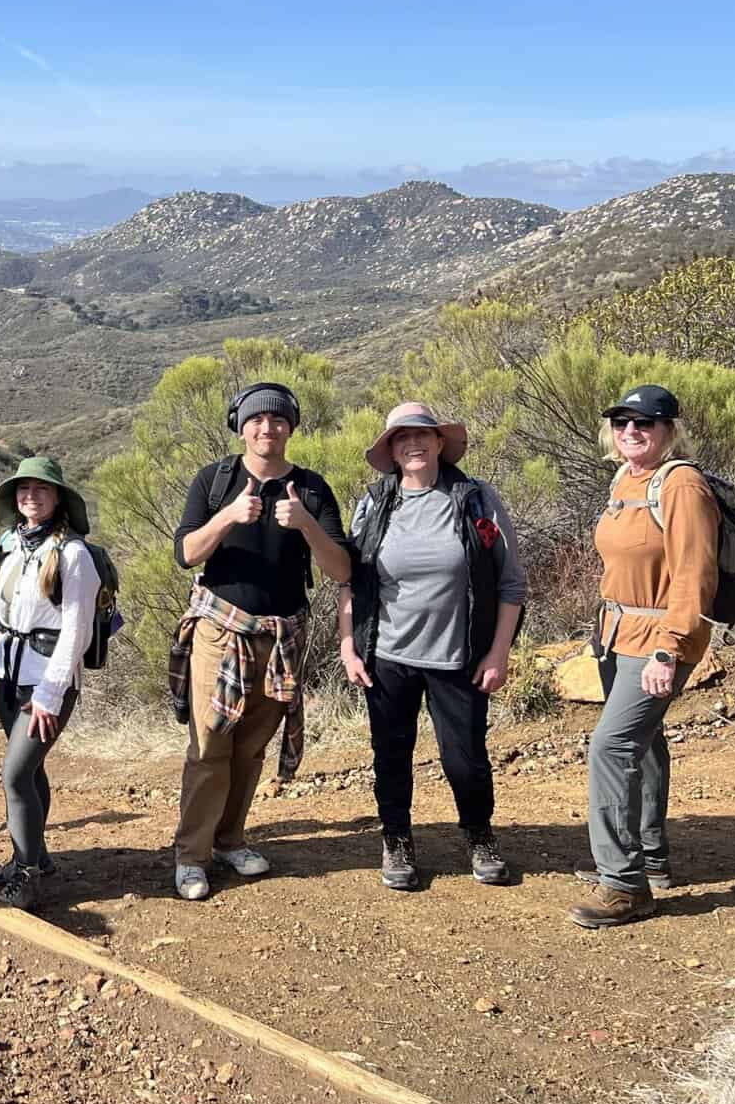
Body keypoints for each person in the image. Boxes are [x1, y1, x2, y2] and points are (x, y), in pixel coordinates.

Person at [169, 383, 350, 901]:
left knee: (251, 748)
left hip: (282, 635)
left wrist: (308, 525)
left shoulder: (312, 490)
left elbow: (340, 570)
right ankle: (191, 856)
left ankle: (229, 840)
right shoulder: (216, 480)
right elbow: (186, 553)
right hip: (220, 631)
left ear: (291, 428)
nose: (266, 429)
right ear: (241, 426)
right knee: (210, 744)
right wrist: (228, 516)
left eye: (277, 421)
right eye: (256, 420)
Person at [336, 404, 527, 891]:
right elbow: (350, 582)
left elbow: (510, 583)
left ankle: (479, 833)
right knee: (390, 754)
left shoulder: (475, 499)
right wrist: (348, 646)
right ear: (391, 451)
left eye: (422, 436)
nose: (412, 445)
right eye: (401, 439)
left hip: (459, 656)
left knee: (465, 757)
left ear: (441, 443)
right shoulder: (376, 504)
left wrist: (498, 652)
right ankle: (396, 838)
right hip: (387, 655)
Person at [570, 385, 720, 929]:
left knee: (611, 747)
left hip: (659, 640)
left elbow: (694, 574)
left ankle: (624, 885)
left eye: (646, 423)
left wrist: (669, 649)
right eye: (622, 422)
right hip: (617, 635)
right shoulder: (626, 480)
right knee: (645, 744)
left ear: (668, 430)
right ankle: (651, 858)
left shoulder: (681, 485)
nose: (631, 431)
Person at [0, 457, 96, 912]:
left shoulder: (73, 554)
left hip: (46, 683)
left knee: (15, 775)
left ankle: (26, 877)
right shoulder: (8, 545)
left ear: (58, 499)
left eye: (41, 489)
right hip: (10, 675)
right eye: (23, 489)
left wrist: (51, 695)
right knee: (32, 773)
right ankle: (35, 857)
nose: (30, 496)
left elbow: (77, 630)